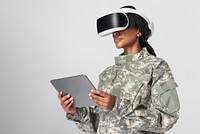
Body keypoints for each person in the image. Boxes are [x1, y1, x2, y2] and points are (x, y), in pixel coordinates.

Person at [58, 5, 180, 134]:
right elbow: (97, 125)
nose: (115, 33)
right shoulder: (107, 74)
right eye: (113, 31)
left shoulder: (156, 67)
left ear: (138, 31)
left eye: (122, 27)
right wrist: (75, 112)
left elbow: (167, 120)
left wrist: (117, 105)